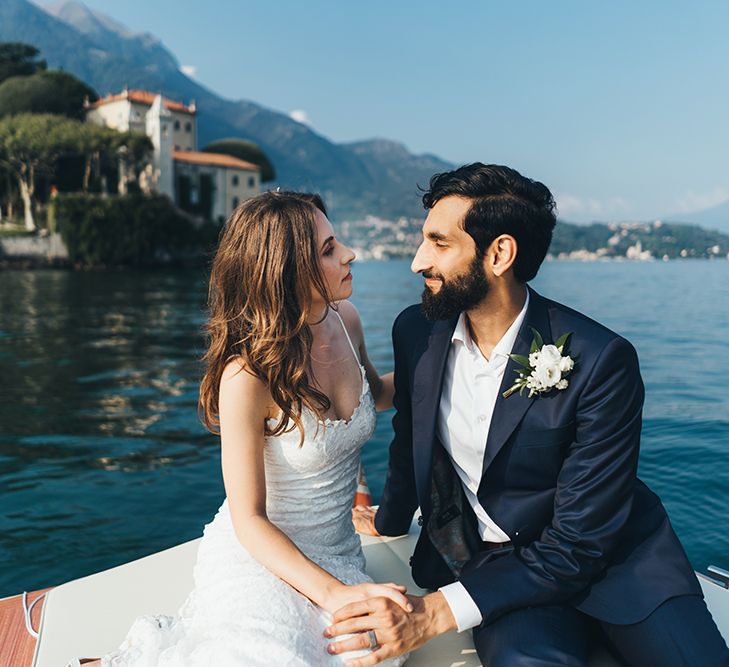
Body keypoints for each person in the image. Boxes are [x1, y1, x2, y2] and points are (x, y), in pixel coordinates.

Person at [331, 163, 729, 666]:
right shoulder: (417, 331)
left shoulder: (601, 358)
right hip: (504, 570)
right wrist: (388, 521)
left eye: (439, 243)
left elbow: (580, 543)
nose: (417, 261)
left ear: (499, 253)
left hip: (622, 565)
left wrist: (431, 614)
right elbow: (409, 437)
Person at [67, 191, 409, 667]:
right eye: (329, 249)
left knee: (368, 653)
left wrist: (456, 356)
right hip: (261, 560)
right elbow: (249, 519)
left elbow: (378, 393)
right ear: (285, 271)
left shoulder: (345, 320)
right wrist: (335, 597)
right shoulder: (246, 377)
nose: (349, 254)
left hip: (339, 555)